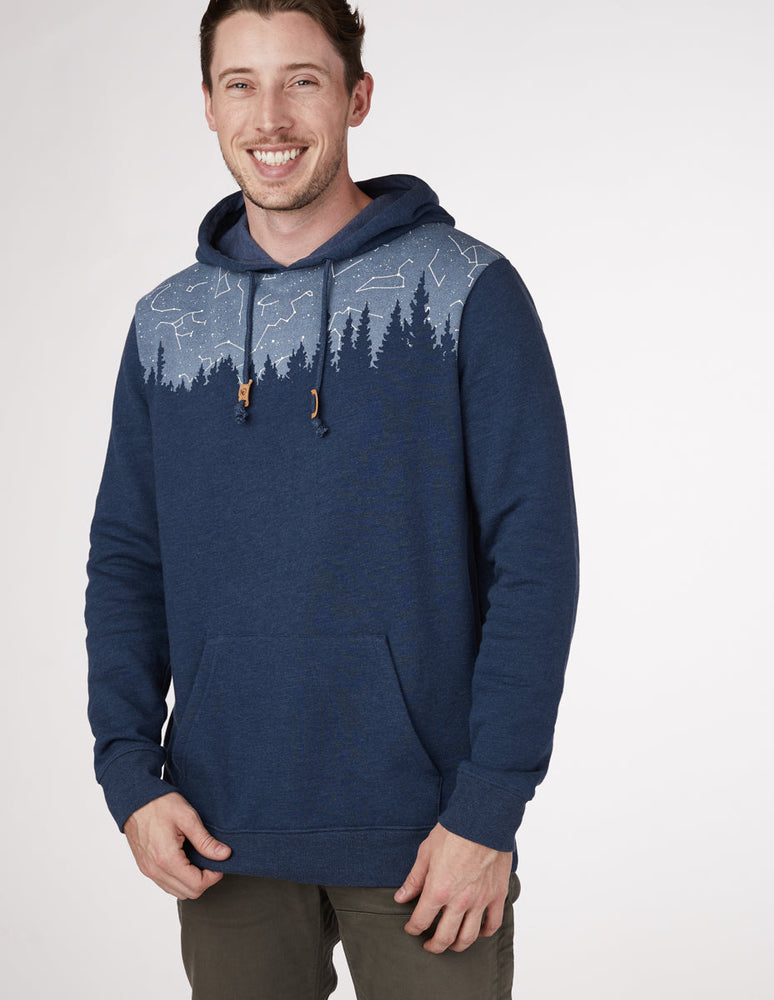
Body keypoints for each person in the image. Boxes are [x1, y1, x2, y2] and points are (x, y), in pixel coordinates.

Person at [85, 1, 579, 997]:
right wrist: (130, 776)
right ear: (209, 105)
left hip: (427, 839)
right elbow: (128, 562)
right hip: (220, 828)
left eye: (301, 81)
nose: (269, 116)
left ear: (356, 97)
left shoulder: (465, 292)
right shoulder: (167, 324)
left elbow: (533, 563)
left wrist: (487, 810)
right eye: (241, 84)